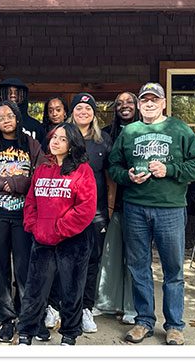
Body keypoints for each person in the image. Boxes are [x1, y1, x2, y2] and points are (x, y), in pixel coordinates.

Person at [107, 82, 195, 345]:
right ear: (139, 105)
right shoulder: (130, 131)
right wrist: (127, 176)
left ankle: (174, 325)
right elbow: (113, 166)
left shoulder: (179, 129)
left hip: (170, 209)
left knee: (172, 269)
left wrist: (171, 170)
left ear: (163, 103)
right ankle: (143, 322)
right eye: (145, 100)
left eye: (155, 99)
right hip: (135, 207)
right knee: (138, 266)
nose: (149, 104)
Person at [14, 124, 97, 346]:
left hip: (73, 240)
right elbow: (31, 201)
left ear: (72, 145)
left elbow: (86, 208)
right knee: (35, 289)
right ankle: (26, 332)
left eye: (63, 138)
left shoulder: (82, 170)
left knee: (71, 290)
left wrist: (59, 228)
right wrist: (34, 225)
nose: (56, 141)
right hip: (42, 239)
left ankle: (69, 334)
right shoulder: (42, 168)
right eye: (54, 137)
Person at [0, 100, 44, 342]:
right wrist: (9, 184)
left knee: (26, 267)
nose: (5, 119)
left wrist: (13, 183)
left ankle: (27, 316)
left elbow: (40, 175)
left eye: (9, 115)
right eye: (0, 116)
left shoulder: (31, 144)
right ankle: (6, 318)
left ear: (17, 118)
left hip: (23, 216)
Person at [68, 93, 113, 334]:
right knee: (64, 258)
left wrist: (111, 207)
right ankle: (62, 307)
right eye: (79, 108)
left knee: (91, 260)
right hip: (66, 209)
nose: (83, 112)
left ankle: (86, 307)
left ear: (94, 113)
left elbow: (112, 175)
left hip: (95, 211)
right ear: (72, 111)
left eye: (88, 108)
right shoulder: (63, 136)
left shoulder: (104, 140)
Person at [98, 91, 138, 323]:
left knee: (135, 258)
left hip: (139, 201)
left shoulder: (147, 130)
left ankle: (132, 307)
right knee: (110, 254)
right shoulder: (105, 134)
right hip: (113, 202)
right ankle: (107, 303)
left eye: (129, 102)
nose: (124, 106)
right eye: (120, 103)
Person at [0, 78, 46, 144]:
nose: (13, 95)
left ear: (23, 95)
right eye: (9, 92)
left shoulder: (36, 127)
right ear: (1, 95)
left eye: (17, 92)